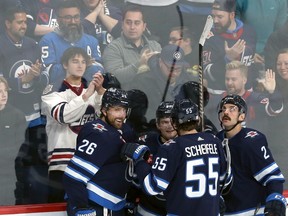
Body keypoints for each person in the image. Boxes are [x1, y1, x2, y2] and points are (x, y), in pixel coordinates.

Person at [121, 98, 232, 215]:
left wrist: (140, 159)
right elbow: (226, 181)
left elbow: (152, 187)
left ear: (174, 123)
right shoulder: (214, 141)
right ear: (198, 120)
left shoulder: (171, 147)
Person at [41, 47, 105, 203]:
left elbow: (105, 120)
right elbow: (64, 115)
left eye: (83, 62)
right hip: (61, 164)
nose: (80, 65)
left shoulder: (92, 91)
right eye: (75, 61)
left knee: (87, 209)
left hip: (88, 162)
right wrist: (87, 95)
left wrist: (101, 92)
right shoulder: (52, 92)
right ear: (65, 65)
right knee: (57, 209)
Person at [63, 87, 136, 216]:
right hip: (95, 204)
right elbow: (74, 175)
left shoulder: (125, 130)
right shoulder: (96, 133)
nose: (122, 115)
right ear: (104, 110)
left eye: (124, 110)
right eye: (117, 109)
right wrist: (81, 207)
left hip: (115, 204)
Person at [216, 94, 286, 215]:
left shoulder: (252, 141)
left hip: (253, 211)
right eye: (223, 108)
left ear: (242, 116)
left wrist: (275, 197)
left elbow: (273, 177)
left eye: (232, 109)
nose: (226, 112)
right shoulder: (215, 141)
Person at [206, 60, 283, 132]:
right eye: (227, 79)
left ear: (244, 80)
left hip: (251, 145)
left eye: (233, 79)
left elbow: (275, 110)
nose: (229, 83)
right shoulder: (217, 100)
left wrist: (272, 92)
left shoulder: (256, 99)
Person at [39, 0, 104, 84]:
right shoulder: (47, 41)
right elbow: (48, 73)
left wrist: (68, 68)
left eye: (76, 17)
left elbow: (99, 70)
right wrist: (83, 65)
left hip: (86, 90)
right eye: (68, 18)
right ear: (58, 20)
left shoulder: (92, 41)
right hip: (58, 92)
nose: (73, 22)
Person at [129, 44, 197, 122]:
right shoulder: (142, 81)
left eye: (178, 69)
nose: (174, 73)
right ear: (160, 62)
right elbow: (138, 113)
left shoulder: (189, 81)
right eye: (170, 68)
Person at [132, 101, 177, 215]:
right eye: (165, 122)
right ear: (157, 124)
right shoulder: (145, 142)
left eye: (173, 121)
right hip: (148, 210)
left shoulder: (187, 145)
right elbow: (133, 177)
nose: (170, 126)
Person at [102, 5, 162, 90]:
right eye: (128, 22)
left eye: (137, 23)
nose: (132, 27)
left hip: (154, 96)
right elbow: (113, 78)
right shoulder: (113, 48)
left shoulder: (155, 46)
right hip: (127, 99)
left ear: (144, 26)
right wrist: (140, 63)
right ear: (122, 25)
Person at [202, 0, 256, 92]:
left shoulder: (249, 32)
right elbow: (207, 73)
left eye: (220, 17)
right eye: (213, 16)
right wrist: (228, 59)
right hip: (220, 93)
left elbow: (250, 66)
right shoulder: (208, 37)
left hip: (247, 94)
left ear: (232, 15)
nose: (215, 20)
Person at [0, 77, 27, 205]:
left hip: (11, 173)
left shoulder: (17, 116)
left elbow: (21, 146)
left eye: (5, 91)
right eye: (0, 91)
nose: (4, 95)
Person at [235, 0, 287, 65]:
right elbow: (234, 30)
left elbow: (280, 35)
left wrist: (270, 55)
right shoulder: (240, 1)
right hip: (245, 54)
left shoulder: (281, 2)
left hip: (271, 56)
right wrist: (248, 53)